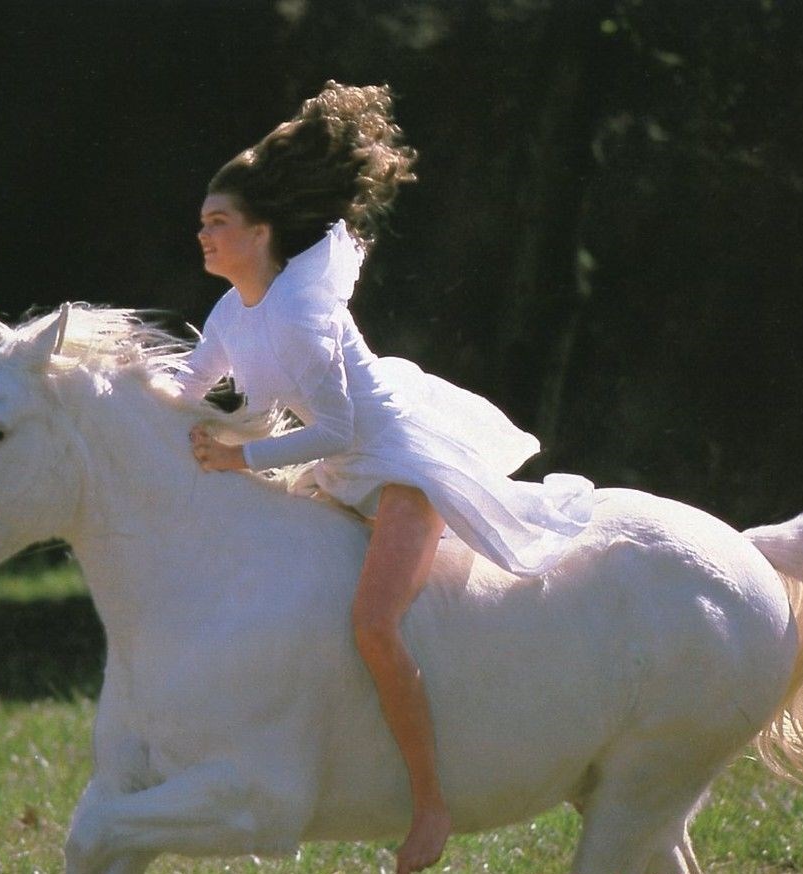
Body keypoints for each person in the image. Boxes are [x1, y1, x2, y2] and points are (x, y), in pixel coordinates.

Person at [182, 81, 594, 874]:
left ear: (260, 232)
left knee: (373, 623)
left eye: (217, 222)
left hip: (397, 465)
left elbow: (339, 430)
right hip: (336, 468)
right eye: (201, 222)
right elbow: (188, 389)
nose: (202, 235)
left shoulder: (301, 314)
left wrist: (238, 457)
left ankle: (430, 805)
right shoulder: (232, 313)